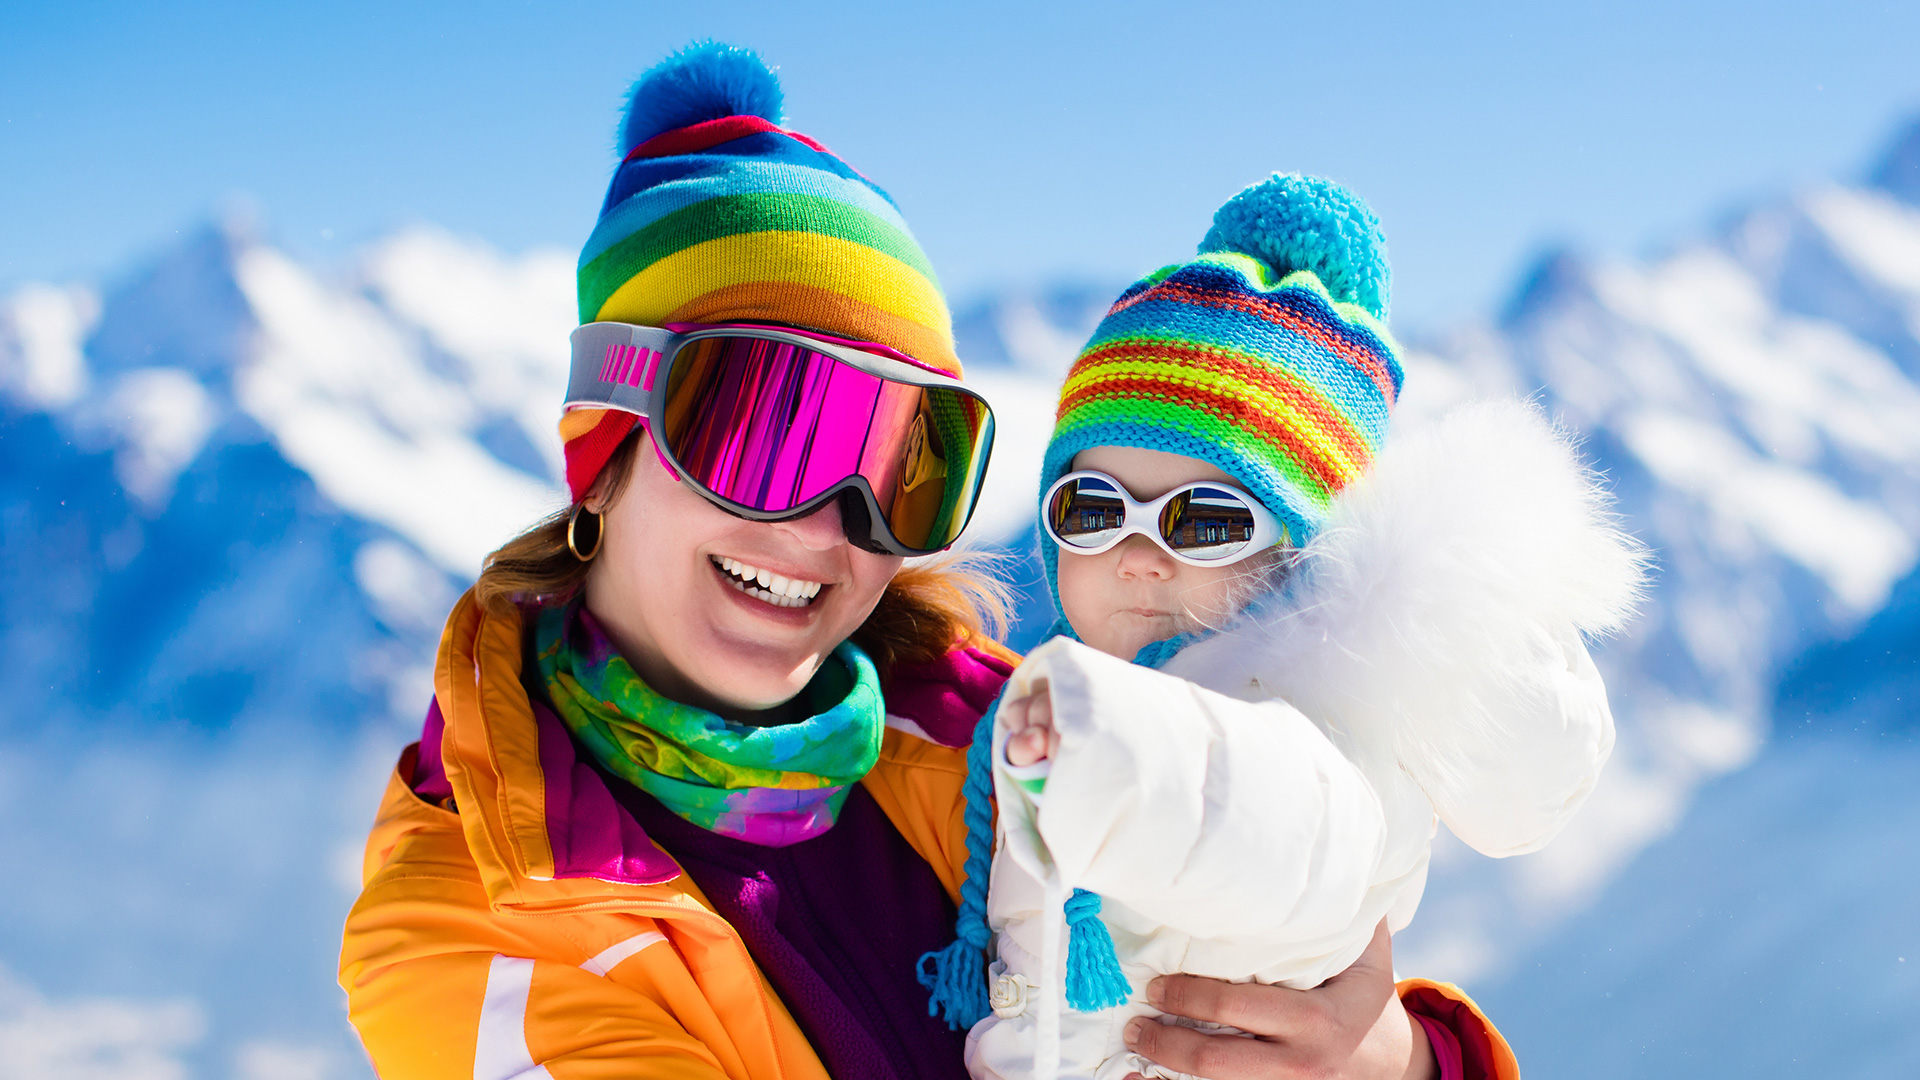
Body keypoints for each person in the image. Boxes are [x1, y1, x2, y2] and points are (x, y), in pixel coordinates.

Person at [338, 43, 1518, 1080]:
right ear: (605, 446)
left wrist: (1390, 1062)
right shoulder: (469, 922)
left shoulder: (1004, 738)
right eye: (763, 430)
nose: (823, 532)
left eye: (901, 467)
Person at [922, 175, 1646, 1080]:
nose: (1138, 555)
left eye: (1207, 521)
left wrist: (1103, 749)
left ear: (1308, 558)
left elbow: (1265, 814)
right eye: (1092, 508)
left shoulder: (1312, 730)